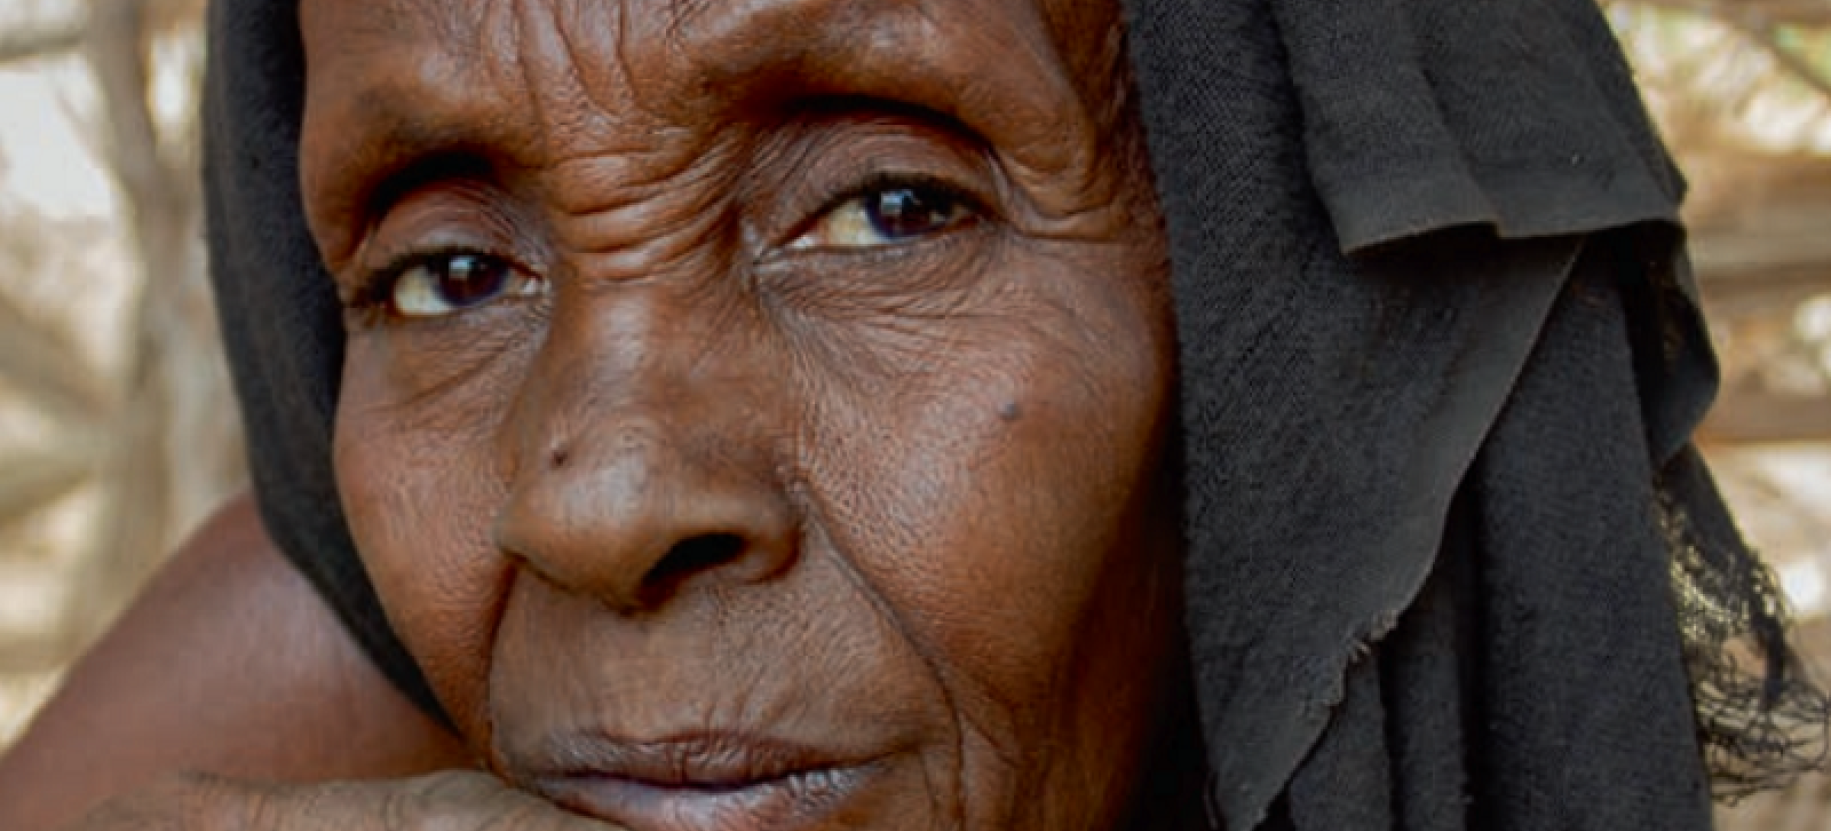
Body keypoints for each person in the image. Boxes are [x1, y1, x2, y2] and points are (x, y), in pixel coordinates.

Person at [1, 0, 1824, 828]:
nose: (601, 497)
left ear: (1294, 346)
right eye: (449, 275)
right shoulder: (293, 708)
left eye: (891, 208)